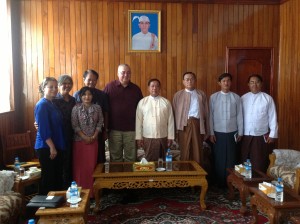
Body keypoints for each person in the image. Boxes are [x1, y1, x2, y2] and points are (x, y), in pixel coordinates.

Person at [209, 73, 243, 187]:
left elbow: (239, 115)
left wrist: (240, 132)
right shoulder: (213, 97)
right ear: (219, 83)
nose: (226, 83)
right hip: (217, 132)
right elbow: (210, 116)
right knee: (219, 158)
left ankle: (231, 183)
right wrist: (211, 132)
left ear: (231, 82)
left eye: (228, 80)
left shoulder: (236, 97)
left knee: (232, 158)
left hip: (232, 132)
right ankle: (219, 183)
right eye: (223, 81)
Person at [104, 64, 143, 162]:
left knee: (131, 157)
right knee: (115, 158)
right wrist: (105, 128)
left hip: (131, 130)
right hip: (114, 130)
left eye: (128, 72)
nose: (126, 75)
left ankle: (129, 177)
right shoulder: (109, 87)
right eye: (123, 72)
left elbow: (141, 110)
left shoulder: (136, 89)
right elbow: (104, 108)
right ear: (118, 74)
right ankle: (116, 177)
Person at [241, 74, 278, 173]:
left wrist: (273, 134)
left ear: (261, 84)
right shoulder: (243, 98)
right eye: (252, 82)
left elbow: (273, 117)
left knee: (259, 162)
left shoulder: (267, 98)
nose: (254, 84)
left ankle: (257, 185)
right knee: (244, 160)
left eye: (257, 82)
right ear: (248, 84)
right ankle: (244, 185)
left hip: (260, 136)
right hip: (245, 135)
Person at [34, 77, 65, 194]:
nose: (54, 89)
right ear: (43, 88)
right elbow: (43, 129)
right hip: (46, 147)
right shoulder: (42, 105)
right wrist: (52, 147)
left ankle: (56, 207)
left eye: (56, 87)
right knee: (48, 179)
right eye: (50, 87)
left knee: (57, 178)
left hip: (56, 145)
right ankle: (43, 208)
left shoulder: (52, 103)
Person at [71, 87, 103, 197]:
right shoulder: (75, 108)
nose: (87, 97)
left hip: (93, 142)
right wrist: (84, 137)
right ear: (80, 96)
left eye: (89, 94)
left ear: (92, 96)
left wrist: (94, 136)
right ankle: (80, 192)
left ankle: (92, 193)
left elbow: (100, 123)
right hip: (79, 142)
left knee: (91, 167)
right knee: (79, 168)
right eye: (84, 94)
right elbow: (75, 125)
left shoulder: (97, 108)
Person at [173, 72, 210, 165]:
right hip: (183, 126)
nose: (189, 81)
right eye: (187, 79)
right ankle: (185, 175)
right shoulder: (178, 95)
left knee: (197, 151)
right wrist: (174, 132)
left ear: (195, 80)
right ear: (183, 81)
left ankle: (198, 176)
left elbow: (207, 113)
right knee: (184, 152)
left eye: (191, 79)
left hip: (197, 124)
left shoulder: (201, 94)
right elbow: (174, 114)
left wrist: (207, 130)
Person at [74, 69, 109, 163]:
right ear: (84, 79)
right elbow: (73, 116)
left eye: (94, 80)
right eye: (89, 79)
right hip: (80, 135)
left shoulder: (102, 95)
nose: (91, 82)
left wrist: (105, 130)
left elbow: (105, 114)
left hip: (97, 133)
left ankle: (99, 177)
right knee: (83, 160)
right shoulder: (77, 95)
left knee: (99, 157)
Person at [136, 78, 174, 161]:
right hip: (148, 136)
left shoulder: (166, 102)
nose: (154, 88)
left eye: (157, 86)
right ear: (148, 88)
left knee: (163, 160)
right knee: (150, 161)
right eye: (152, 86)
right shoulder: (142, 102)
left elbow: (171, 121)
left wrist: (170, 136)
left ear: (160, 88)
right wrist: (139, 137)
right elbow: (138, 121)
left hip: (163, 136)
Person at [54, 75, 76, 189]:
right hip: (57, 136)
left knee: (69, 162)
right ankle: (59, 189)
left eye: (69, 83)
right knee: (59, 163)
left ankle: (69, 187)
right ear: (59, 85)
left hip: (71, 135)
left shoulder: (73, 100)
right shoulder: (54, 100)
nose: (67, 85)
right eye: (64, 83)